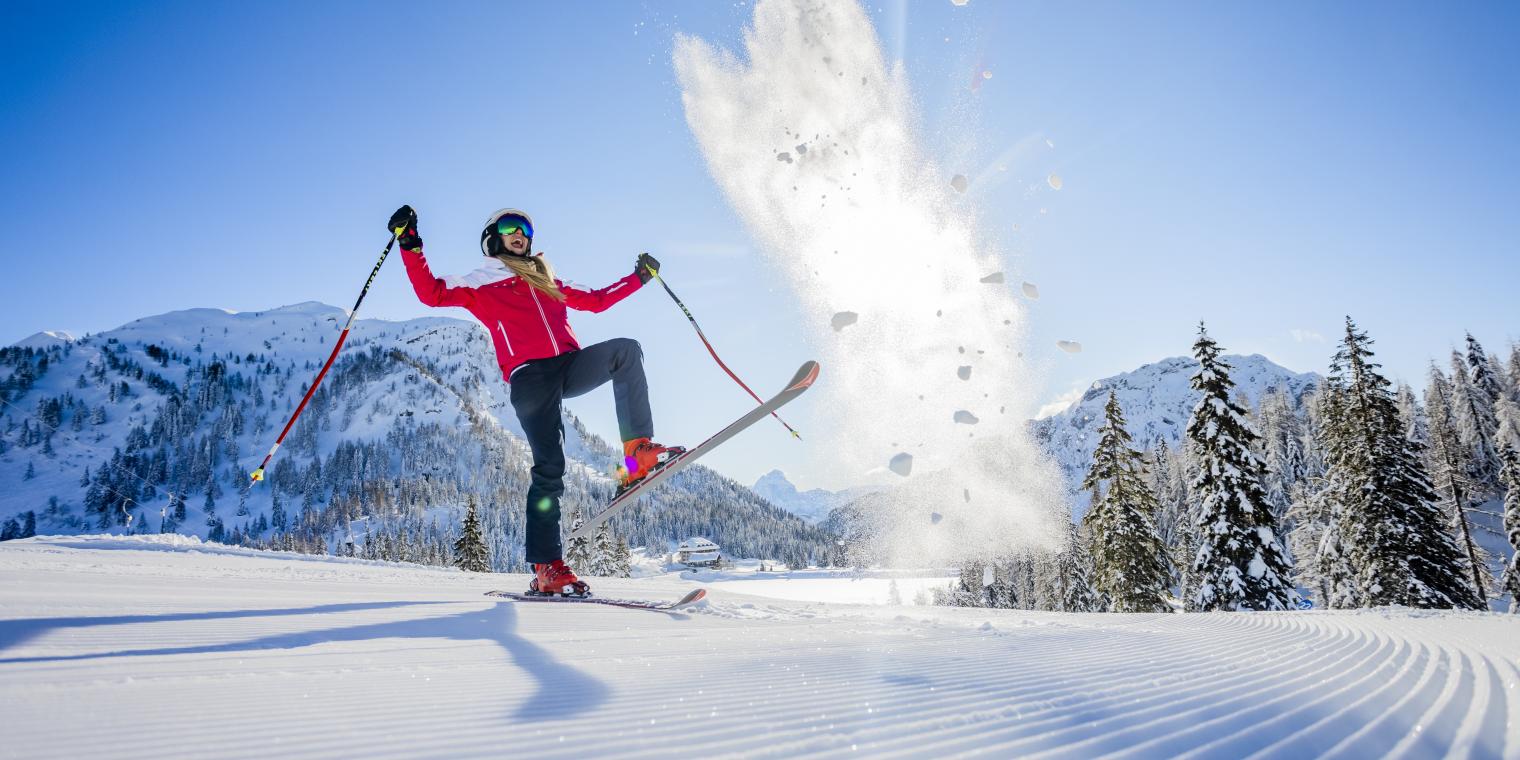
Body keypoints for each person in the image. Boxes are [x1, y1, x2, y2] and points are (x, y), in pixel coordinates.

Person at [388, 205, 684, 596]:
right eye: (511, 227)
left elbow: (595, 300)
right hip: (530, 377)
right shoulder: (481, 281)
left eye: (525, 228)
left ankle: (637, 453)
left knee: (625, 351)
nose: (520, 234)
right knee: (550, 468)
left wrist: (638, 278)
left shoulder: (546, 278)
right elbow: (432, 293)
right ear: (493, 238)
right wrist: (410, 243)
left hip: (567, 364)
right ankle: (547, 566)